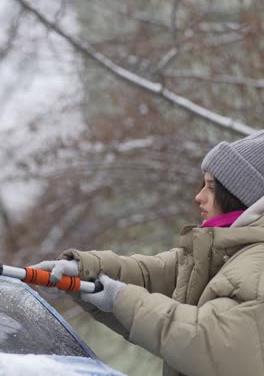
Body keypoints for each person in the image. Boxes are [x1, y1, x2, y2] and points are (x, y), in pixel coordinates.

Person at [31, 130, 264, 376]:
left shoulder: (257, 263)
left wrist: (120, 298)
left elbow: (209, 342)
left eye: (211, 187)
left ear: (242, 198)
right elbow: (151, 276)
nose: (199, 196)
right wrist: (82, 272)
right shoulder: (222, 254)